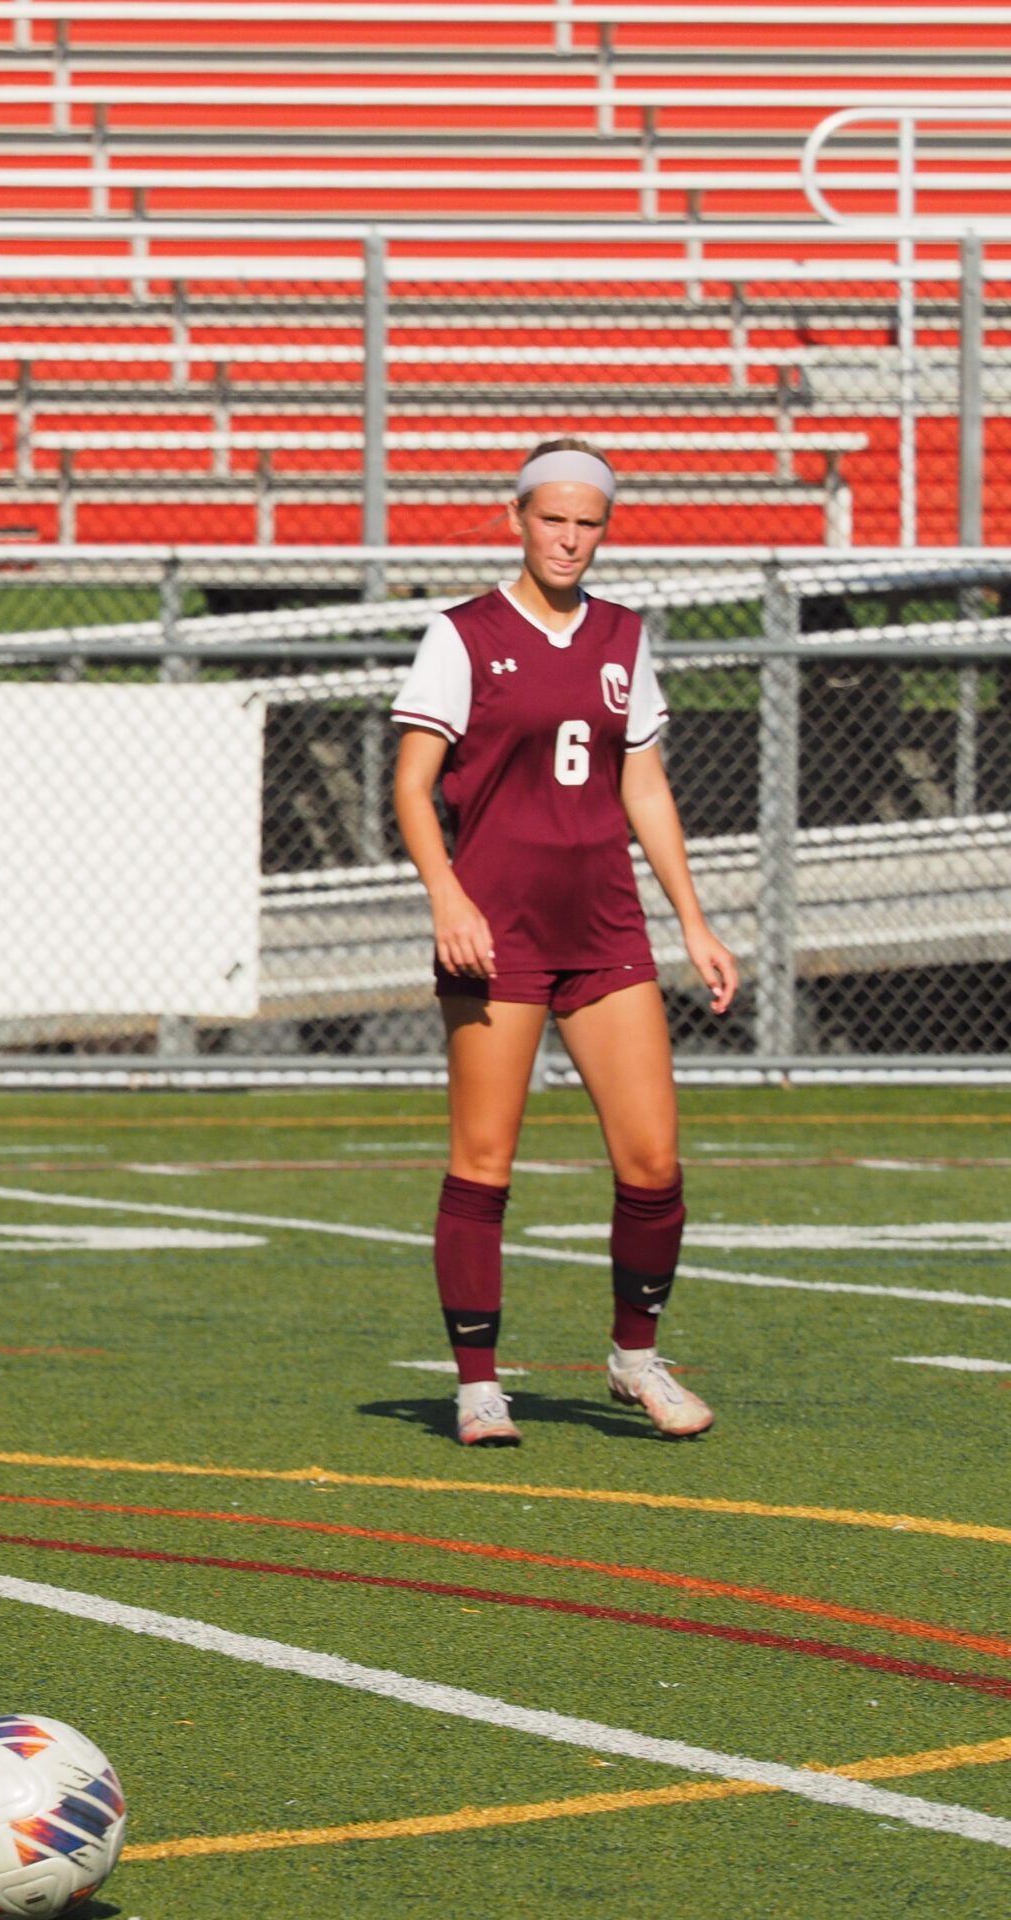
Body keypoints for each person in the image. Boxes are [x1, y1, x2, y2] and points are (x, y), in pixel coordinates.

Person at [389, 437, 739, 1448]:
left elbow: (643, 785)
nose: (569, 539)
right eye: (553, 518)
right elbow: (413, 786)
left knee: (652, 1162)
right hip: (495, 933)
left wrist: (693, 921)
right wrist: (447, 897)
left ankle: (634, 1358)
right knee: (483, 1162)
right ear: (517, 518)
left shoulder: (624, 636)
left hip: (603, 927)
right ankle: (477, 1384)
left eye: (588, 523)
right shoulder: (459, 636)